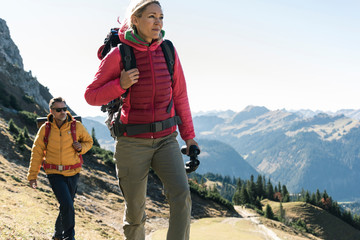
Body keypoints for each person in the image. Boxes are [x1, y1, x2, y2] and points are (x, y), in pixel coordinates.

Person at [84, 0, 198, 239]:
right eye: (151, 16)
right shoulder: (120, 54)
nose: (158, 22)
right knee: (135, 214)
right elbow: (91, 95)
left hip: (167, 139)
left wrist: (189, 138)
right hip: (132, 142)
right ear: (135, 20)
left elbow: (180, 95)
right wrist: (120, 85)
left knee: (182, 197)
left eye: (161, 17)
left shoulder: (168, 50)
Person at [27, 97, 93, 240]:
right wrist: (32, 176)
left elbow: (89, 141)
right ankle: (69, 237)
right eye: (59, 110)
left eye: (64, 108)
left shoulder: (76, 126)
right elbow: (37, 152)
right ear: (51, 111)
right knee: (67, 204)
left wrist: (81, 148)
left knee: (66, 206)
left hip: (73, 172)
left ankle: (57, 236)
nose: (63, 112)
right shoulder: (45, 129)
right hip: (54, 173)